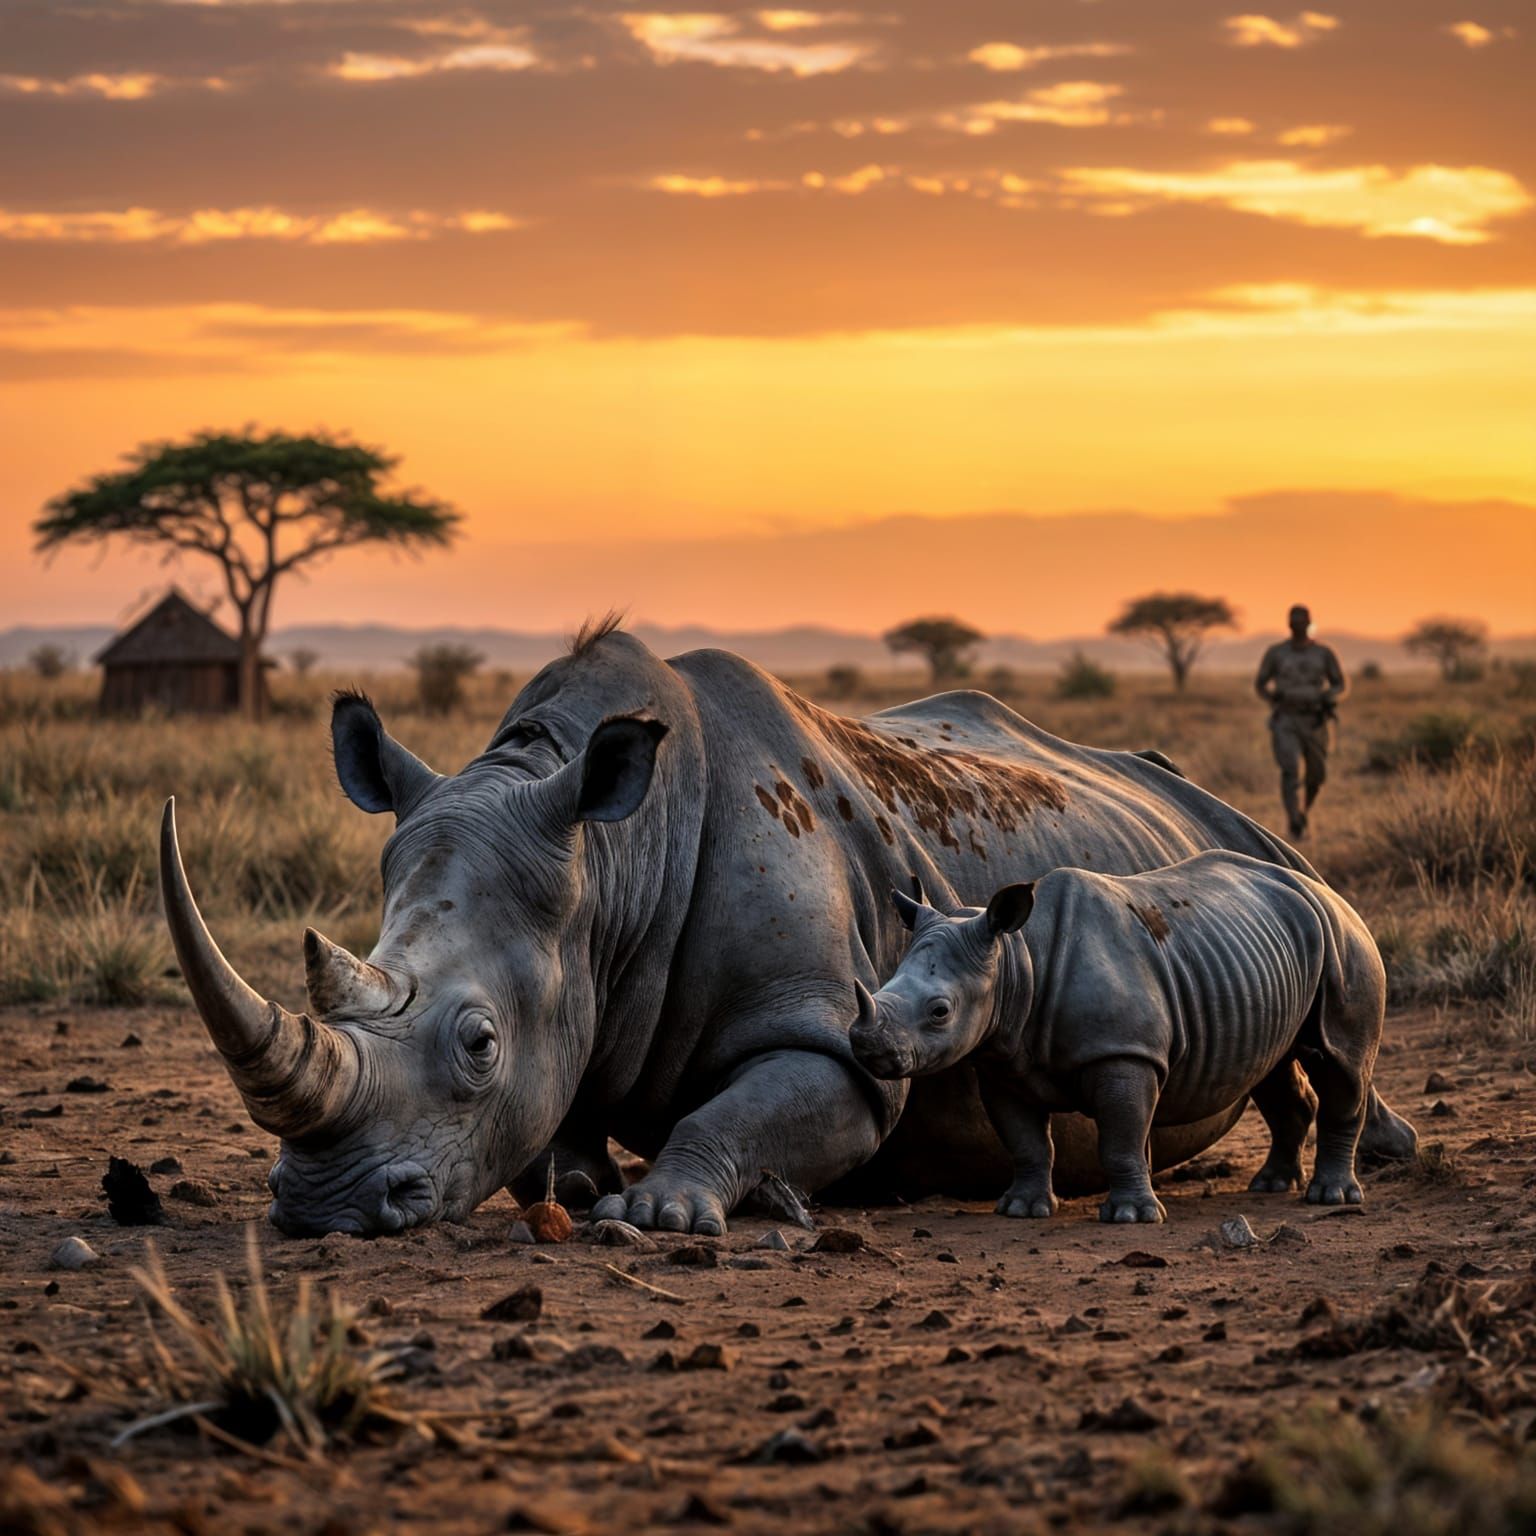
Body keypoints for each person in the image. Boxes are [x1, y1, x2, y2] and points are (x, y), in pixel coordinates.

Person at [1255, 604, 1346, 840]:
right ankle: (1294, 819)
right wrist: (1272, 699)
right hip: (1286, 718)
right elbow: (1260, 683)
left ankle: (1304, 810)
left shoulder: (1324, 653)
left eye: (1302, 621)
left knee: (1317, 775)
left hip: (1315, 720)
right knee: (1290, 769)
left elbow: (1340, 684)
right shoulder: (1276, 653)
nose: (1298, 626)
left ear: (1309, 623)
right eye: (1293, 621)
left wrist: (1329, 697)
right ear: (1288, 624)